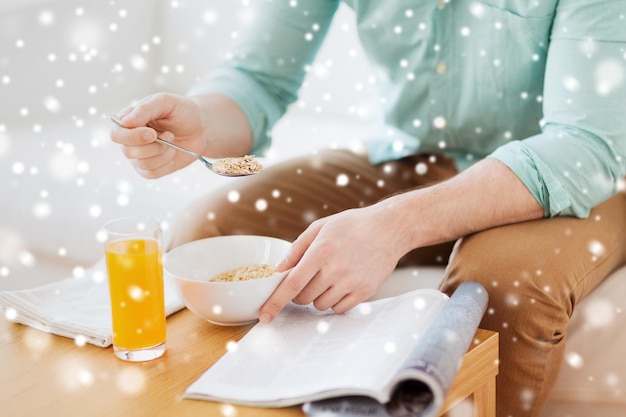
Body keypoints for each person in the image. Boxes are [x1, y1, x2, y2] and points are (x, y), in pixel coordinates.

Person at [110, 1, 626, 416]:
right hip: (409, 157)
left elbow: (584, 145)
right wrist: (201, 122)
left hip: (569, 176)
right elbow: (258, 77)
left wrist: (396, 224)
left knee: (502, 284)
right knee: (209, 232)